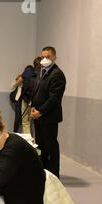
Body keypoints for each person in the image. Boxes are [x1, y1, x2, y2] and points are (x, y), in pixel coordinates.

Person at [31, 47, 66, 178]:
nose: (45, 60)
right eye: (43, 57)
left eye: (48, 57)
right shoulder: (42, 72)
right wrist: (33, 108)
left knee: (50, 146)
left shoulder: (57, 74)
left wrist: (41, 111)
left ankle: (54, 174)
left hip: (48, 117)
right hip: (38, 115)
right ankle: (44, 172)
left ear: (54, 57)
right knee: (41, 146)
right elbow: (37, 91)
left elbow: (54, 98)